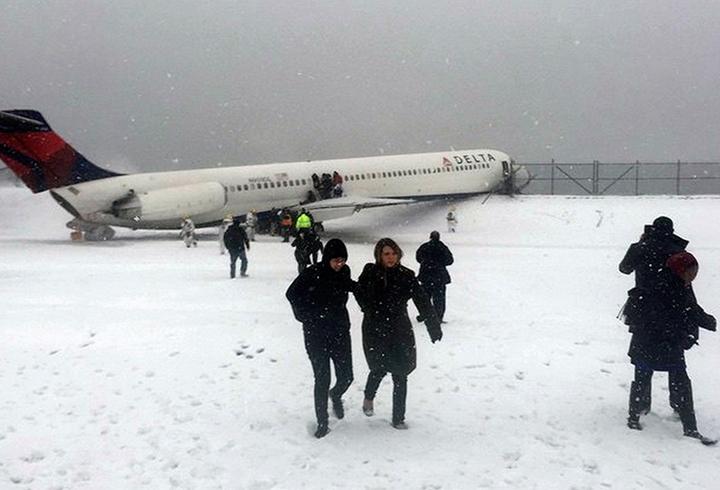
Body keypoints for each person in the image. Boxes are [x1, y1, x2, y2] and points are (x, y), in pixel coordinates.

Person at [620, 221, 717, 444]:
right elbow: (688, 298)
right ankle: (687, 423)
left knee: (643, 368)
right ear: (671, 232)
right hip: (671, 323)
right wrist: (703, 320)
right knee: (678, 373)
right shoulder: (678, 255)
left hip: (643, 315)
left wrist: (641, 246)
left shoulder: (640, 248)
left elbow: (624, 268)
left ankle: (636, 413)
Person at [355, 238, 442, 429]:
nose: (391, 257)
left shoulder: (406, 275)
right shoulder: (370, 272)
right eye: (386, 254)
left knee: (401, 372)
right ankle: (369, 397)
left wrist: (433, 325)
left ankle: (398, 417)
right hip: (375, 328)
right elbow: (358, 292)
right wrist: (368, 308)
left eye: (394, 253)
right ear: (379, 255)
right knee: (379, 368)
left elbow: (422, 301)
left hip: (399, 328)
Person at [286, 239, 357, 438]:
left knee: (347, 376)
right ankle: (322, 422)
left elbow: (347, 285)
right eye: (336, 260)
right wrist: (304, 315)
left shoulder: (344, 272)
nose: (339, 264)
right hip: (315, 334)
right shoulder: (311, 273)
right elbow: (291, 294)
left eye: (342, 260)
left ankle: (335, 395)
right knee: (322, 378)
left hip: (340, 332)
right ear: (327, 259)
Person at [415, 231, 454, 323]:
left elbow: (418, 258)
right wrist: (439, 263)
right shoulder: (443, 247)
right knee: (439, 299)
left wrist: (426, 263)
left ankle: (424, 315)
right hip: (439, 277)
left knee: (425, 298)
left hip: (426, 276)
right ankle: (438, 317)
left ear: (430, 237)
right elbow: (450, 260)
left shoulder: (424, 247)